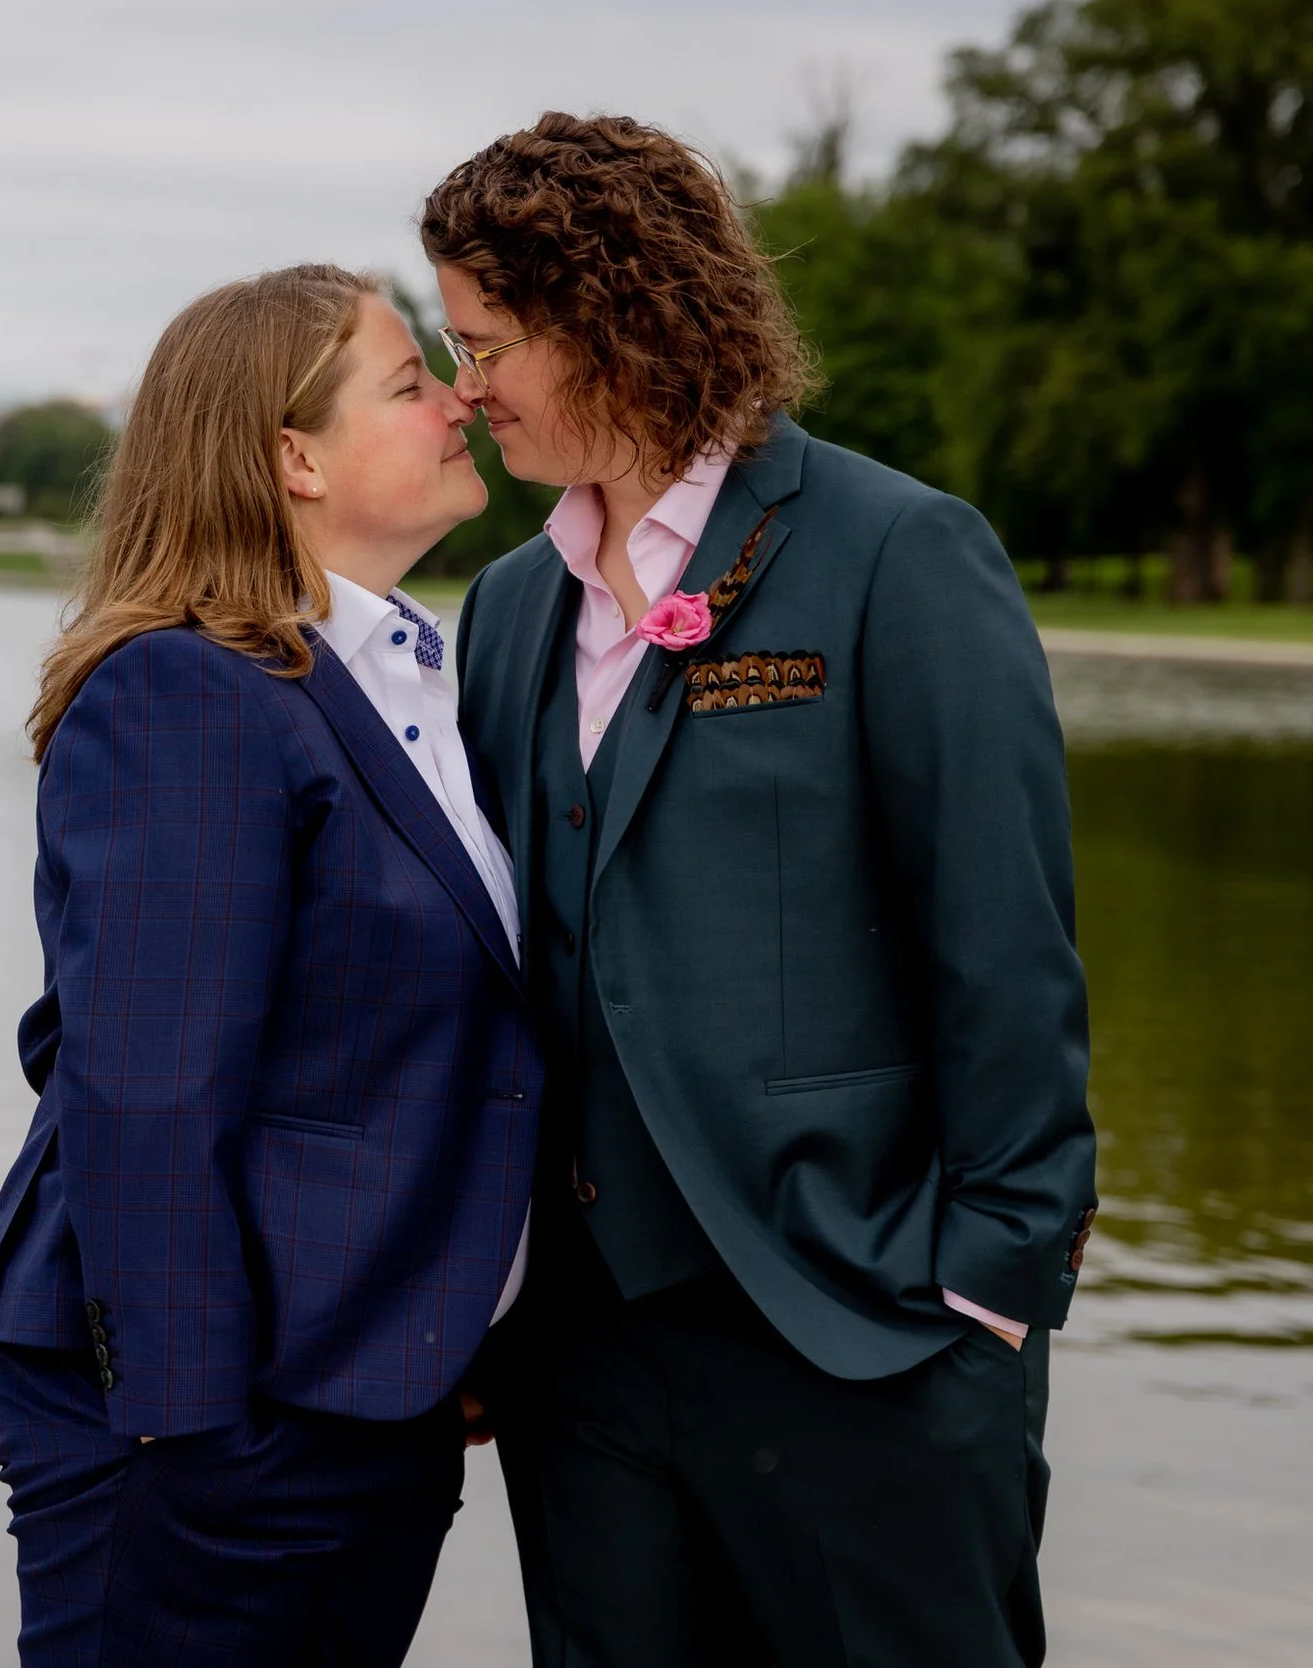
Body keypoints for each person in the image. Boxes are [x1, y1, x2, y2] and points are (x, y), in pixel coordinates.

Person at [424, 114, 1098, 1667]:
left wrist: (987, 1297)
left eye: (488, 342)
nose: (467, 389)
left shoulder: (898, 555)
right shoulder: (512, 608)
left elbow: (1005, 952)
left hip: (864, 1334)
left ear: (606, 323)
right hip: (582, 1369)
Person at [0, 264, 544, 1667]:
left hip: (362, 1392)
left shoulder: (399, 680)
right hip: (220, 1430)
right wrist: (193, 1434)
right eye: (411, 384)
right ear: (293, 455)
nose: (459, 398)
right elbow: (141, 1090)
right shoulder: (188, 690)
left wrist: (434, 1319)